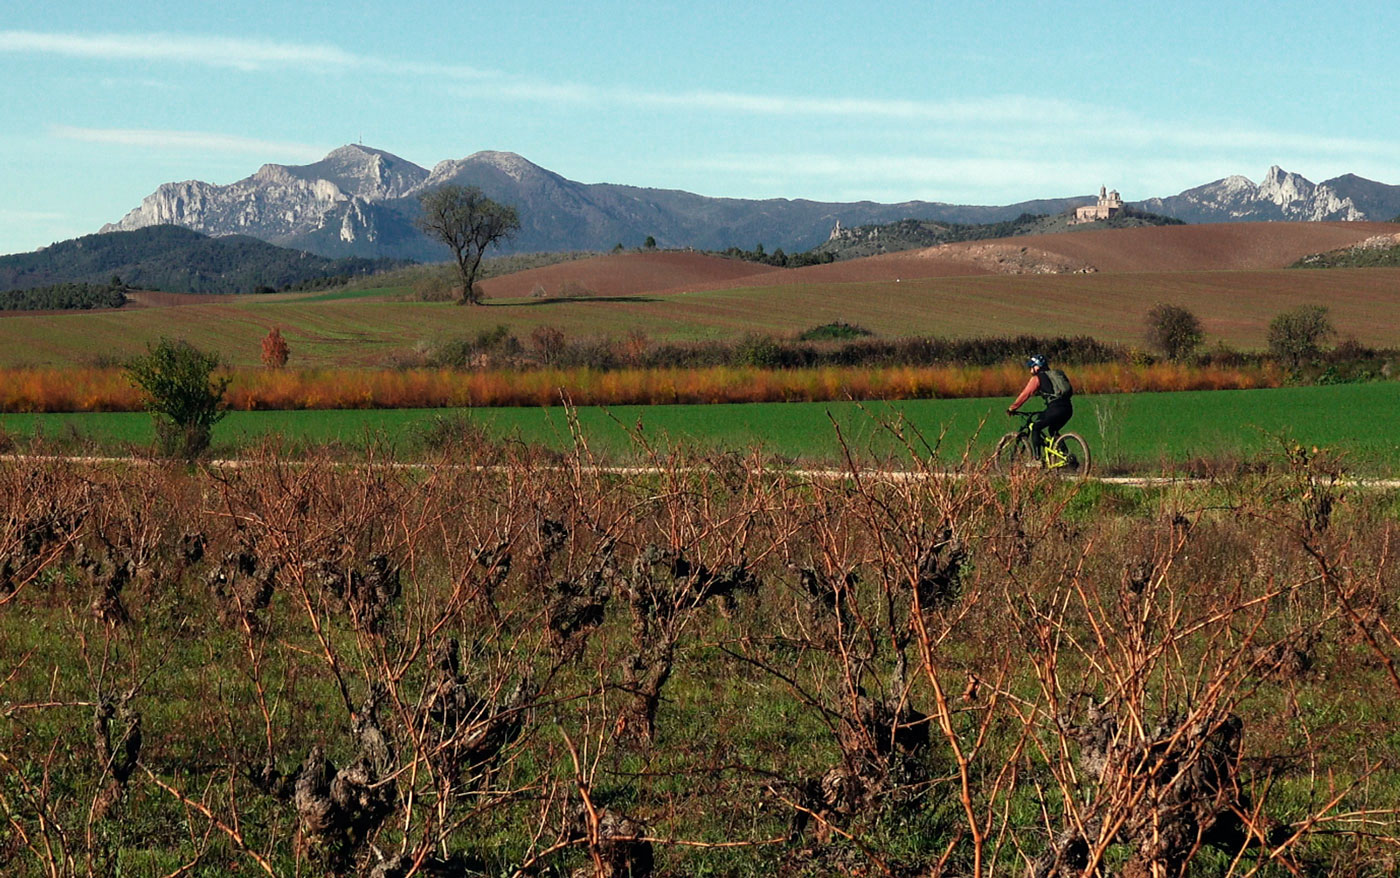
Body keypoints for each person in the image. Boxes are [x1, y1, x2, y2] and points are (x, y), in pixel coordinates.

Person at [1007, 354, 1073, 463]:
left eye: (1031, 367)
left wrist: (1012, 408)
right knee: (1053, 430)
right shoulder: (1057, 374)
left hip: (1055, 408)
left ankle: (1037, 459)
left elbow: (1025, 394)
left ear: (1037, 367)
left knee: (1036, 427)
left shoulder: (1037, 378)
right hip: (1068, 408)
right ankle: (1067, 457)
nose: (1030, 370)